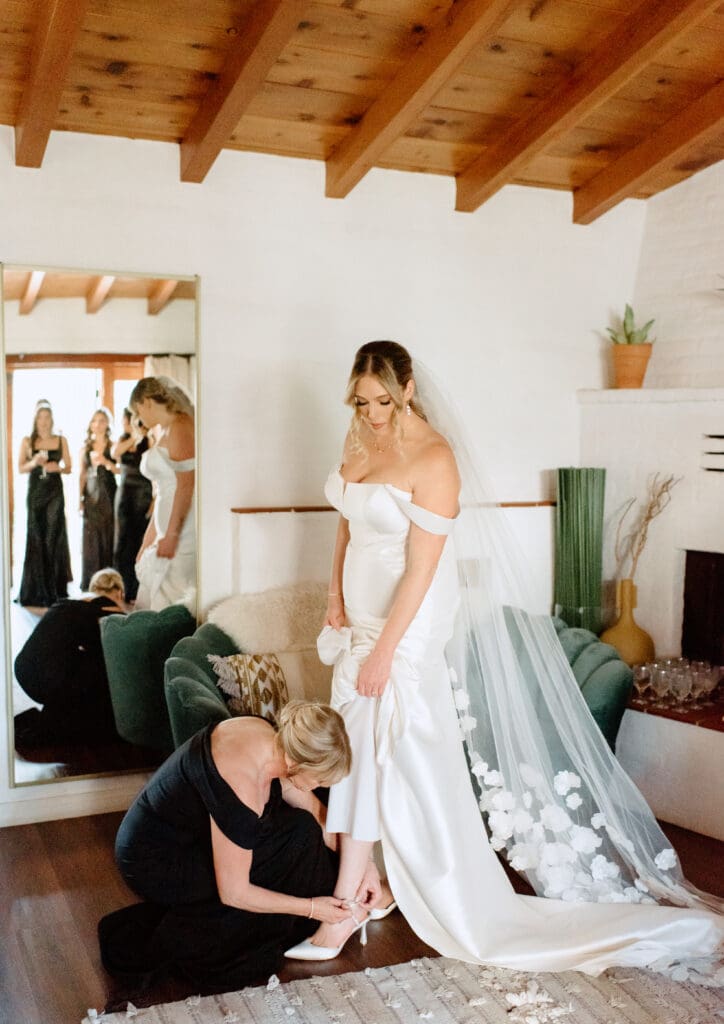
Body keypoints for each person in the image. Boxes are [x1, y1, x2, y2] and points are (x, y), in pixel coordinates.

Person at [285, 340, 723, 983]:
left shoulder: (434, 457)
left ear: (407, 389)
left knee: (388, 754)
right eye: (361, 400)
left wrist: (384, 650)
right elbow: (346, 527)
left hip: (405, 627)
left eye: (383, 400)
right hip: (358, 620)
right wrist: (334, 601)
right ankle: (367, 886)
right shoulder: (357, 441)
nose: (373, 413)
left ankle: (350, 903)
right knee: (358, 753)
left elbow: (422, 568)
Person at [99, 702, 367, 993]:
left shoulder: (272, 741)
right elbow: (234, 893)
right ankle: (179, 935)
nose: (322, 785)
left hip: (186, 837)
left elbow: (315, 813)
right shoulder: (240, 784)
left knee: (302, 830)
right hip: (156, 861)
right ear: (298, 764)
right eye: (321, 779)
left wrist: (362, 866)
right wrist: (313, 909)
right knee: (291, 857)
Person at [13, 568, 125, 746]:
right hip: (46, 679)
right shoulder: (110, 611)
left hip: (23, 669)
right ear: (120, 592)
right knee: (106, 667)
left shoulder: (72, 601)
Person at [129, 376, 196, 612]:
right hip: (166, 525)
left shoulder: (181, 425)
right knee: (152, 596)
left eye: (138, 410)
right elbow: (162, 494)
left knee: (171, 596)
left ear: (147, 401)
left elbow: (187, 485)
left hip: (182, 528)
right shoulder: (164, 431)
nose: (139, 418)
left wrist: (172, 535)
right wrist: (148, 540)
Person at [17, 399, 72, 608]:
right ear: (35, 419)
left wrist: (56, 468)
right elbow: (21, 468)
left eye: (47, 417)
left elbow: (69, 466)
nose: (44, 421)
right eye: (40, 417)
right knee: (37, 536)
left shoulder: (61, 439)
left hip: (55, 492)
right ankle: (36, 591)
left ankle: (54, 590)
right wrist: (34, 463)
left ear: (52, 419)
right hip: (35, 493)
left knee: (52, 537)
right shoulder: (27, 441)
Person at [112, 409, 153, 603]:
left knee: (139, 541)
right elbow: (115, 453)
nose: (126, 423)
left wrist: (154, 500)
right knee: (123, 542)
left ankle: (138, 591)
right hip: (125, 494)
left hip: (143, 494)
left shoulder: (149, 440)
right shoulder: (123, 440)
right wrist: (133, 437)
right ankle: (123, 589)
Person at [80, 408, 118, 590]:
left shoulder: (114, 446)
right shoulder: (85, 448)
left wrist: (107, 462)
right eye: (95, 420)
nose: (98, 424)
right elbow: (82, 474)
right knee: (91, 538)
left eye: (102, 420)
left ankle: (108, 582)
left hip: (109, 494)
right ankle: (90, 581)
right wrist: (79, 498)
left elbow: (121, 470)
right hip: (90, 495)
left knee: (108, 536)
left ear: (108, 423)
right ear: (90, 425)